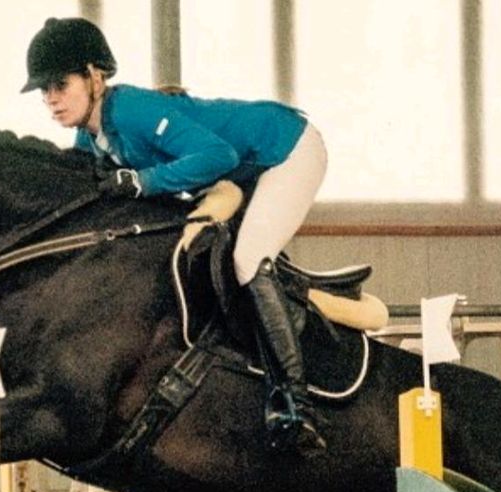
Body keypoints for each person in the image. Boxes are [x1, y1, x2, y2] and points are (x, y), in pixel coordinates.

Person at [21, 17, 329, 452]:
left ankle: (295, 405)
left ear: (94, 76)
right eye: (44, 91)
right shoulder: (89, 140)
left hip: (286, 150)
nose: (51, 99)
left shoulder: (129, 109)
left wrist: (141, 182)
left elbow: (217, 154)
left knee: (248, 258)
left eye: (60, 85)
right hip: (246, 170)